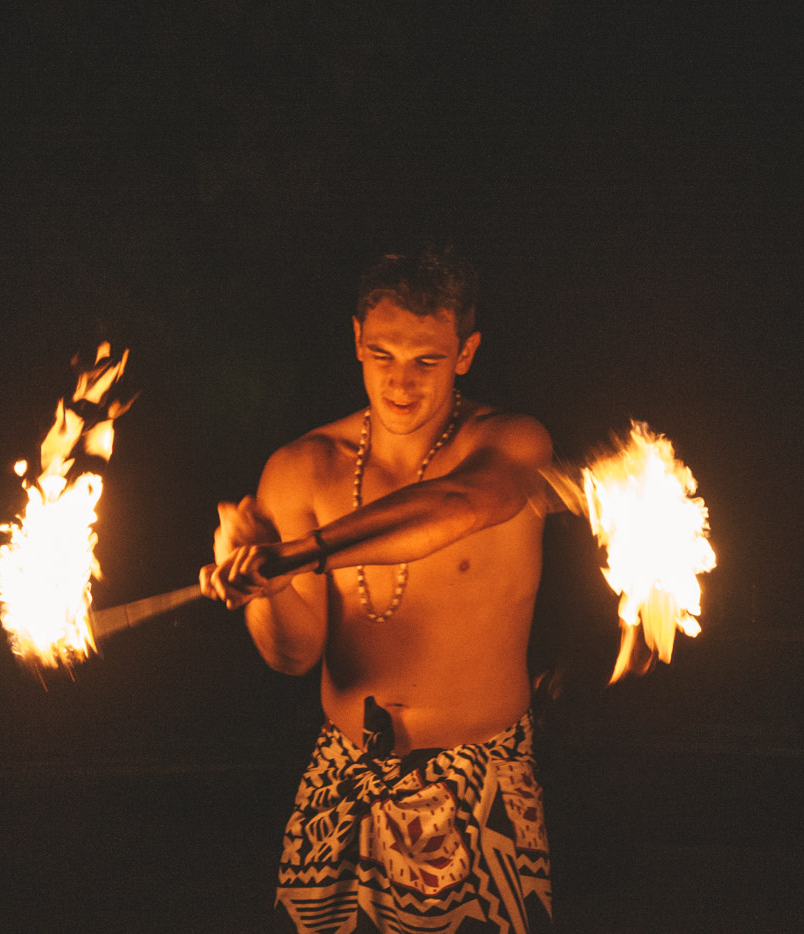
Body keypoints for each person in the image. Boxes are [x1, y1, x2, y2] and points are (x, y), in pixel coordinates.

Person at [200, 246, 555, 932]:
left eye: (427, 359)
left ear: (465, 353)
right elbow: (294, 656)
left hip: (479, 785)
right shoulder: (300, 469)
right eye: (384, 354)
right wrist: (265, 587)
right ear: (357, 341)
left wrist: (296, 555)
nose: (402, 382)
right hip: (342, 778)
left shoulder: (511, 444)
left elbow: (456, 508)